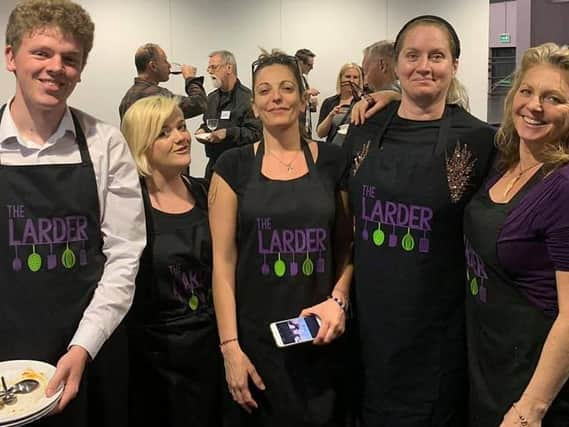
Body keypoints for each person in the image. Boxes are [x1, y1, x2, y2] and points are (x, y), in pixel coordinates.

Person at [343, 15, 495, 426]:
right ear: (395, 64)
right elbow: (345, 223)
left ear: (455, 65)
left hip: (438, 334)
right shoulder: (362, 131)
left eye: (436, 56)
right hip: (369, 326)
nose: (423, 66)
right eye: (412, 55)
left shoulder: (479, 140)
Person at [0, 1, 146, 426]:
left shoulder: (105, 144)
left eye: (70, 59)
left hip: (91, 348)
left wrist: (83, 346)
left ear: (81, 70)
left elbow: (124, 255)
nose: (55, 68)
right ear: (11, 56)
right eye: (41, 52)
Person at [209, 50, 353, 426]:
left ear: (304, 98)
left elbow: (348, 247)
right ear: (254, 104)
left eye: (287, 88)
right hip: (255, 344)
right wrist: (230, 349)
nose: (276, 97)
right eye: (265, 91)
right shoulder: (232, 168)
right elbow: (223, 264)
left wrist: (339, 299)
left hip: (321, 337)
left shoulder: (333, 163)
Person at [464, 42, 569, 427]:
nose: (535, 105)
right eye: (527, 91)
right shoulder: (504, 159)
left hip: (530, 390)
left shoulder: (562, 187)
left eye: (553, 97)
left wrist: (531, 408)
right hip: (487, 372)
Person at [121, 96, 221, 427]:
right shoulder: (129, 209)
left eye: (181, 126)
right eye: (165, 132)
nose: (182, 136)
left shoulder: (205, 192)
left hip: (213, 351)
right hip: (160, 364)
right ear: (142, 145)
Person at [195, 50, 261, 181]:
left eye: (214, 67)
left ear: (229, 68)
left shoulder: (248, 98)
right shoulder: (211, 98)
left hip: (242, 168)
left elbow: (256, 133)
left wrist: (228, 133)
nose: (210, 72)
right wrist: (202, 130)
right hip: (214, 165)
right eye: (209, 68)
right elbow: (208, 124)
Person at [118, 43, 206, 120]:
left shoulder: (127, 98)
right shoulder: (156, 95)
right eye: (165, 61)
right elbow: (199, 104)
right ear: (153, 66)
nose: (169, 65)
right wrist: (190, 78)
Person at [317, 63, 363, 145]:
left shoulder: (363, 102)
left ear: (360, 80)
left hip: (355, 151)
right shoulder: (329, 102)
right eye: (348, 77)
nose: (351, 81)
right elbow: (320, 134)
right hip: (333, 150)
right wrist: (331, 116)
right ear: (341, 79)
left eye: (355, 77)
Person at [295, 48, 320, 136]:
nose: (312, 68)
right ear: (300, 63)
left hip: (306, 127)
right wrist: (307, 93)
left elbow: (303, 103)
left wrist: (310, 104)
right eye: (309, 65)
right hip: (296, 128)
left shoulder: (303, 80)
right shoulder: (290, 79)